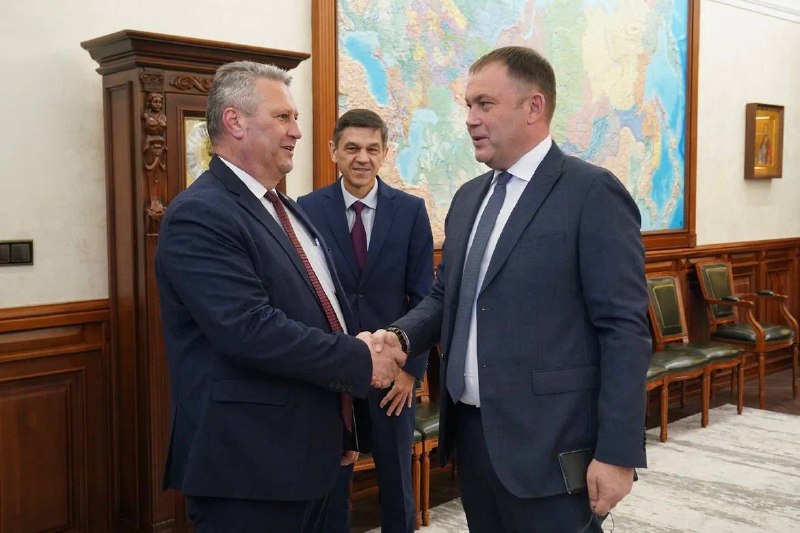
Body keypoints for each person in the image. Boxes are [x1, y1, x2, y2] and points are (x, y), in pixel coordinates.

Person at [377, 46, 652, 532]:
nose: (470, 118)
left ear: (533, 106)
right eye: (468, 105)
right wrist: (400, 338)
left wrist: (617, 452)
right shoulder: (469, 198)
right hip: (475, 440)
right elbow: (447, 296)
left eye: (484, 104)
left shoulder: (591, 192)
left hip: (553, 446)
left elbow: (624, 330)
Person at [154, 61, 405, 533]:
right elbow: (248, 330)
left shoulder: (282, 207)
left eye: (295, 118)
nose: (297, 132)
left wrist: (344, 422)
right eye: (283, 117)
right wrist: (360, 358)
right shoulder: (200, 214)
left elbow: (322, 313)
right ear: (235, 121)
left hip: (313, 456)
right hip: (251, 468)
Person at [298, 109, 434, 533]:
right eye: (352, 148)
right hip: (333, 372)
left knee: (396, 485)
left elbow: (425, 297)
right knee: (331, 485)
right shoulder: (306, 209)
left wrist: (411, 372)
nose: (362, 158)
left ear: (384, 153)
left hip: (393, 376)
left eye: (372, 149)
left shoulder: (410, 211)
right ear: (334, 151)